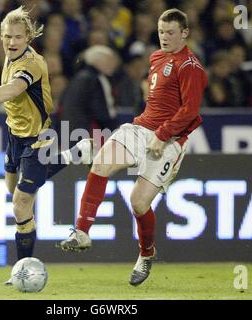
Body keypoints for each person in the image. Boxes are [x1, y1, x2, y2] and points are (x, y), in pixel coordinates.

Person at [60, 8, 208, 286]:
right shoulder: (155, 57)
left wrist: (162, 135)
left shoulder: (190, 67)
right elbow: (157, 94)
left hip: (169, 141)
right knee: (101, 164)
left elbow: (190, 111)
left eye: (171, 32)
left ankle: (146, 253)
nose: (164, 37)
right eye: (161, 31)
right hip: (139, 128)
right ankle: (81, 231)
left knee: (138, 203)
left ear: (185, 33)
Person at [0, 6, 92, 284]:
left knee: (21, 203)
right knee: (13, 189)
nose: (11, 42)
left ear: (28, 38)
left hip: (37, 138)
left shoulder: (31, 64)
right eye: (6, 36)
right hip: (15, 136)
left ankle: (22, 270)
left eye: (17, 37)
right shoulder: (10, 57)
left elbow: (12, 90)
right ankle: (75, 154)